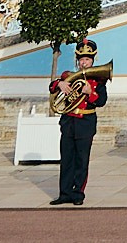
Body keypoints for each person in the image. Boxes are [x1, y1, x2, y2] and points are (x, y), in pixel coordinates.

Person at [47, 39, 106, 205]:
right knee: (66, 160)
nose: (84, 63)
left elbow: (101, 101)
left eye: (87, 59)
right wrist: (60, 84)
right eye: (81, 60)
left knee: (82, 160)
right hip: (69, 122)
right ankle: (64, 193)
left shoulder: (99, 80)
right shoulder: (69, 77)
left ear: (93, 60)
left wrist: (90, 93)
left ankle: (78, 193)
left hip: (85, 123)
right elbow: (51, 87)